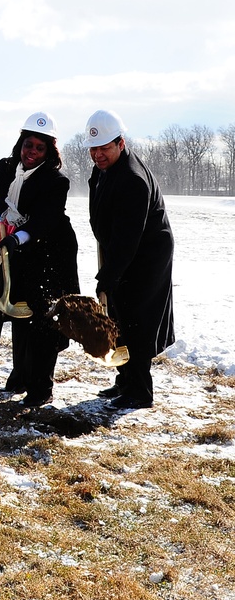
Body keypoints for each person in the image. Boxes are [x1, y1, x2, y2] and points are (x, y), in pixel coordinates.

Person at [0, 112, 80, 407]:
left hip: (51, 252)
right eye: (29, 145)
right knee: (18, 312)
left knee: (45, 318)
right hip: (16, 251)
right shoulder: (6, 167)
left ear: (50, 150)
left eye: (40, 147)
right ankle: (21, 374)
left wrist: (18, 236)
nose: (32, 152)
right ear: (21, 143)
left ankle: (41, 387)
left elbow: (44, 221)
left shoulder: (56, 180)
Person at [85, 109, 175, 411]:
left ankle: (140, 391)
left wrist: (107, 277)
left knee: (137, 319)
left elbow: (128, 239)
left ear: (120, 144)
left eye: (104, 148)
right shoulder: (105, 169)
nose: (97, 155)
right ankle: (124, 380)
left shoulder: (133, 180)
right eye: (93, 149)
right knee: (119, 314)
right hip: (124, 250)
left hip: (146, 256)